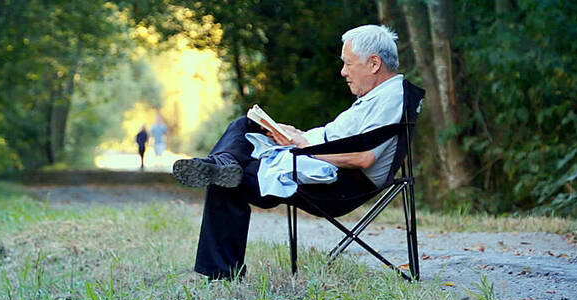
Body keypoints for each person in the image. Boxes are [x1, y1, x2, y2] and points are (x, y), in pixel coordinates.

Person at [172, 24, 405, 280]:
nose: (343, 72)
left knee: (227, 177)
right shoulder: (380, 96)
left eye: (348, 64)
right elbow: (341, 140)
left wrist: (302, 146)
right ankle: (220, 162)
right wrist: (296, 134)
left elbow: (364, 157)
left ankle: (221, 273)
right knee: (245, 127)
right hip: (313, 158)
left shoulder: (391, 97)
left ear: (373, 64)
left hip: (334, 182)